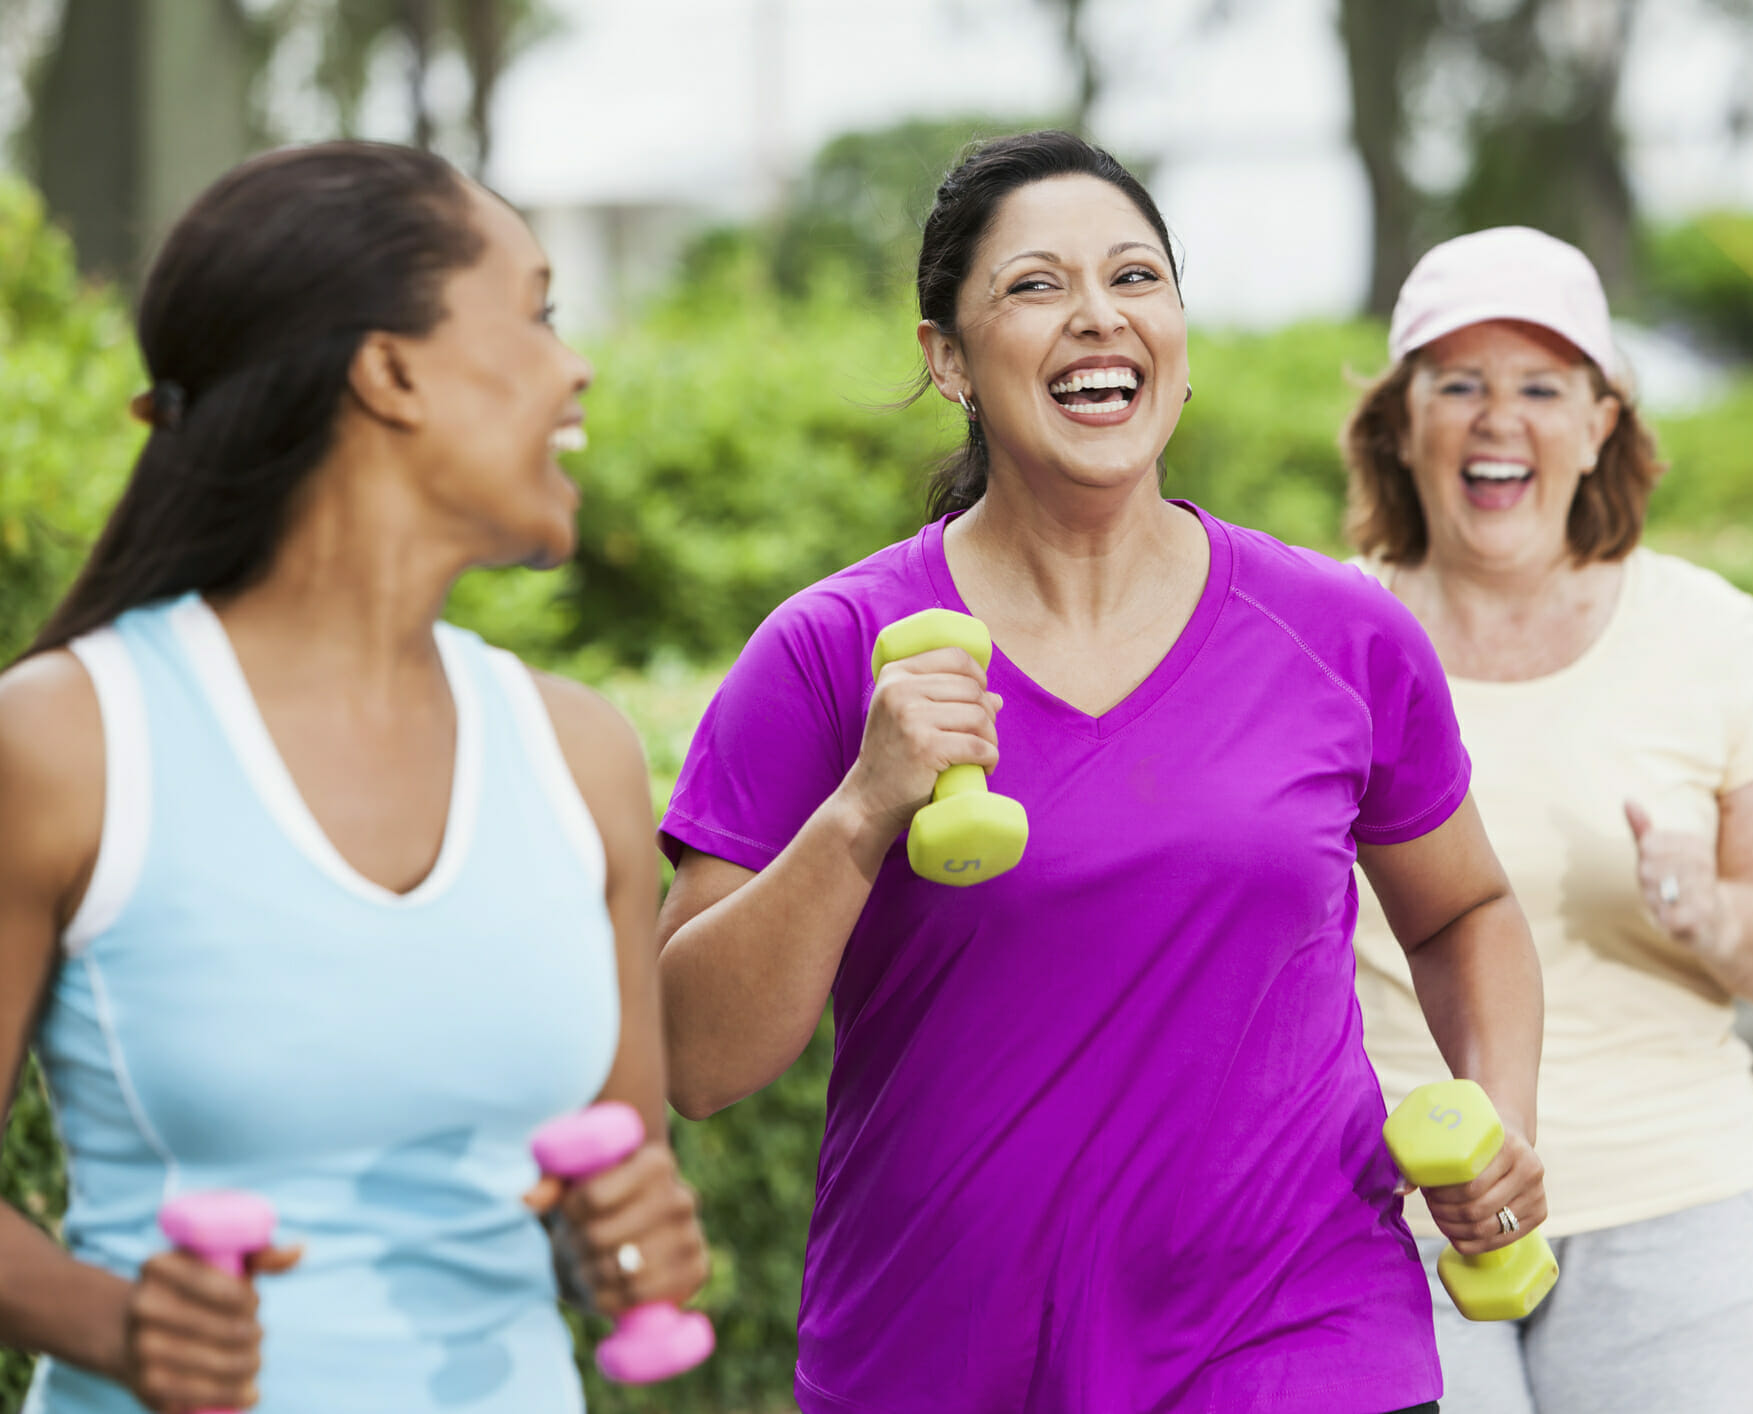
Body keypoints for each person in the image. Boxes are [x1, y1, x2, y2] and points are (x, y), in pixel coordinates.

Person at [654, 129, 1547, 1414]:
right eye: (1033, 286)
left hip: (1297, 1336)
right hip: (940, 1354)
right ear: (947, 357)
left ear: (1179, 337)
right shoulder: (828, 654)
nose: (1096, 318)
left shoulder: (1338, 634)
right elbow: (697, 1056)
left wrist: (1497, 1115)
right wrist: (862, 809)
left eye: (1136, 278)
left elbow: (1464, 910)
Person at [0, 142, 708, 1413]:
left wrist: (628, 1240)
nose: (576, 361)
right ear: (389, 370)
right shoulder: (70, 741)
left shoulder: (580, 753)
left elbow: (609, 1184)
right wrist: (116, 1323)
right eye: (538, 311)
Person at [1341, 226, 1753, 1414]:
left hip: (1669, 1216)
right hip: (1392, 1222)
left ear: (1600, 424)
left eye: (1541, 386)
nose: (1498, 418)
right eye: (1458, 384)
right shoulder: (1331, 636)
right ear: (1398, 422)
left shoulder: (1707, 630)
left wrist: (1712, 908)